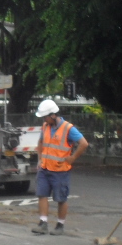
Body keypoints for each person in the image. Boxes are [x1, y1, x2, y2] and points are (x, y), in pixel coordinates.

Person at [31, 99, 89, 235]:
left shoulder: (68, 128)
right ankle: (43, 223)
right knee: (42, 195)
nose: (44, 119)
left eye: (45, 117)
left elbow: (84, 143)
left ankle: (60, 225)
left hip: (60, 170)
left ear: (53, 115)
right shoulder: (45, 126)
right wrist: (40, 159)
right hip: (45, 168)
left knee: (61, 199)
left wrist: (73, 158)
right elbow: (41, 142)